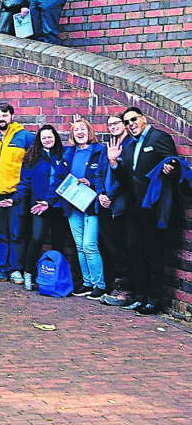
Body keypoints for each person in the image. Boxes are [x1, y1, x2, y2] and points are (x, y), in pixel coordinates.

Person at [104, 107, 182, 314]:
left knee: (153, 254)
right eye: (127, 121)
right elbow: (126, 181)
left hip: (154, 209)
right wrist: (114, 163)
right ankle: (140, 296)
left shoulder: (159, 138)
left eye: (133, 119)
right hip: (134, 209)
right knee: (135, 252)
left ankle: (154, 300)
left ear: (144, 119)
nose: (130, 124)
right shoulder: (129, 146)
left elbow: (173, 162)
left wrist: (171, 168)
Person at [0, 103, 35, 284]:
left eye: (4, 115)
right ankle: (1, 269)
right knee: (0, 233)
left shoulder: (25, 137)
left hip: (16, 196)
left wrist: (18, 195)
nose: (1, 119)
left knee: (17, 234)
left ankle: (16, 270)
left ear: (11, 116)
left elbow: (31, 168)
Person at [15, 124, 68, 291]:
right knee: (36, 239)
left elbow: (64, 181)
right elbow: (24, 183)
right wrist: (14, 199)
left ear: (56, 138)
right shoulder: (32, 159)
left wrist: (50, 201)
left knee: (58, 242)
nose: (48, 140)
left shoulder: (64, 155)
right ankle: (28, 273)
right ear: (39, 140)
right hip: (39, 206)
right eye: (44, 137)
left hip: (59, 206)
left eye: (50, 137)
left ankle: (57, 277)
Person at [60, 117, 109, 298]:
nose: (79, 132)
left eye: (83, 129)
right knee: (80, 246)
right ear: (72, 134)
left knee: (90, 245)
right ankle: (87, 283)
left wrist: (91, 184)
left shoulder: (100, 151)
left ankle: (99, 284)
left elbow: (104, 177)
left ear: (90, 132)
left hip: (91, 205)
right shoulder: (69, 153)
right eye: (76, 129)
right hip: (73, 205)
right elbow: (60, 176)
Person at [96, 114, 131, 301]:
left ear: (124, 125)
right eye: (109, 124)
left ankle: (124, 288)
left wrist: (111, 196)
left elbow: (124, 177)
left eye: (116, 123)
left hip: (120, 205)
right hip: (104, 204)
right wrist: (100, 193)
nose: (113, 127)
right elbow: (99, 173)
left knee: (122, 246)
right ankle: (114, 284)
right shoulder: (106, 147)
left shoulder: (129, 146)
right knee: (109, 246)